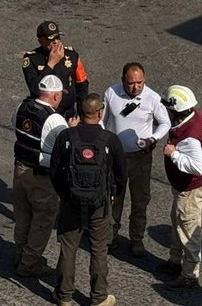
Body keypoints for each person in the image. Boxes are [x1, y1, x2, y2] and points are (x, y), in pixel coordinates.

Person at [49, 92, 126, 306]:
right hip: (100, 204)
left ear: (80, 112)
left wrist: (65, 194)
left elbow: (54, 172)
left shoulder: (66, 136)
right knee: (99, 249)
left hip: (70, 201)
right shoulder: (110, 140)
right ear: (100, 113)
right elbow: (121, 175)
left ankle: (64, 296)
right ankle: (99, 297)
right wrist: (112, 195)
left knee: (68, 248)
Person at [102, 61, 171, 257]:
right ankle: (111, 236)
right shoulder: (111, 93)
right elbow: (102, 119)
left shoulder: (152, 98)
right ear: (123, 80)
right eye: (131, 83)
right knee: (114, 198)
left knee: (140, 201)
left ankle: (136, 239)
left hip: (141, 158)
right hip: (116, 158)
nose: (136, 87)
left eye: (140, 82)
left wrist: (153, 138)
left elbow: (165, 122)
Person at [12, 74, 75, 277]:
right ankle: (29, 263)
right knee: (43, 219)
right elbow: (66, 147)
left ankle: (20, 252)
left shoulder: (21, 107)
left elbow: (15, 127)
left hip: (19, 169)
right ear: (55, 96)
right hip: (41, 176)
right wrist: (71, 129)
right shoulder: (55, 119)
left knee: (23, 215)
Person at [157, 84, 202, 290]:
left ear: (175, 110)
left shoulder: (190, 135)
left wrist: (173, 154)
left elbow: (196, 167)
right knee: (177, 221)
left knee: (188, 230)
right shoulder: (197, 117)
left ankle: (190, 275)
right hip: (184, 187)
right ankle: (174, 261)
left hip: (189, 189)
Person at [23, 20, 89, 119]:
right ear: (40, 41)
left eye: (57, 37)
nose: (56, 41)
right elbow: (35, 90)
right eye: (51, 39)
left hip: (69, 114)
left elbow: (82, 84)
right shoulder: (32, 59)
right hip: (44, 115)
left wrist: (81, 114)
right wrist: (51, 64)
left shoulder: (72, 55)